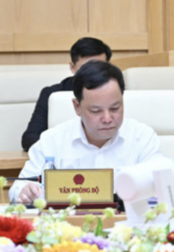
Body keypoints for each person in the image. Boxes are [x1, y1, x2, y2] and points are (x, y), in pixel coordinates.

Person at [9, 61, 163, 205]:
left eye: (115, 108)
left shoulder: (142, 137)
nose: (107, 118)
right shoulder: (52, 140)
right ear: (77, 106)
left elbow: (161, 184)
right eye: (96, 111)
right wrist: (25, 191)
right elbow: (18, 188)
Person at [21, 37, 112, 152]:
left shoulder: (118, 94)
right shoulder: (51, 94)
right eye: (86, 69)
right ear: (72, 67)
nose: (93, 74)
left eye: (99, 68)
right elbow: (29, 139)